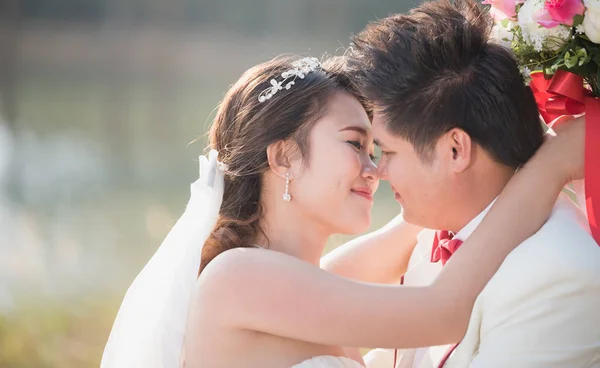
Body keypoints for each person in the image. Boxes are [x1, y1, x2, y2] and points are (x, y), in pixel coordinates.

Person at [101, 54, 585, 368]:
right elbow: (442, 312)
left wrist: (503, 147)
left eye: (381, 151)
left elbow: (422, 222)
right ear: (284, 156)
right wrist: (550, 168)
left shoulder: (306, 281)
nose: (376, 170)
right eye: (356, 144)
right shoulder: (240, 278)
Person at [343, 0, 600, 367]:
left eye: (388, 152)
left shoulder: (559, 275)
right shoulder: (442, 225)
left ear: (455, 150)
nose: (376, 172)